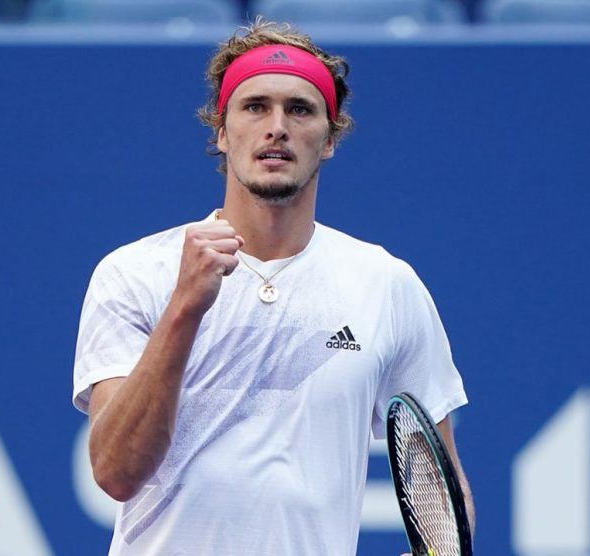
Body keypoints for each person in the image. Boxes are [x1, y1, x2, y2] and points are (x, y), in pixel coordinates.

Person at [72, 19, 473, 555]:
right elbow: (117, 472)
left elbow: (443, 490)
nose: (277, 127)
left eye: (301, 110)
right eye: (255, 106)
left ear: (330, 139)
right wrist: (185, 307)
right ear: (221, 130)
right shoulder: (135, 272)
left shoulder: (386, 284)